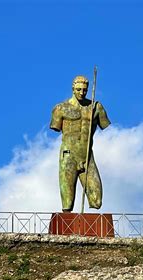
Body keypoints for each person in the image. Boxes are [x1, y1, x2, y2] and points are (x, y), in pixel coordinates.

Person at [50, 75, 111, 212]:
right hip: (69, 154)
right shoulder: (61, 108)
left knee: (97, 199)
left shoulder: (96, 107)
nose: (81, 93)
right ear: (73, 88)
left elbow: (104, 124)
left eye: (84, 90)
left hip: (87, 155)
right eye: (78, 89)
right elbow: (56, 126)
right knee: (67, 203)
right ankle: (66, 228)